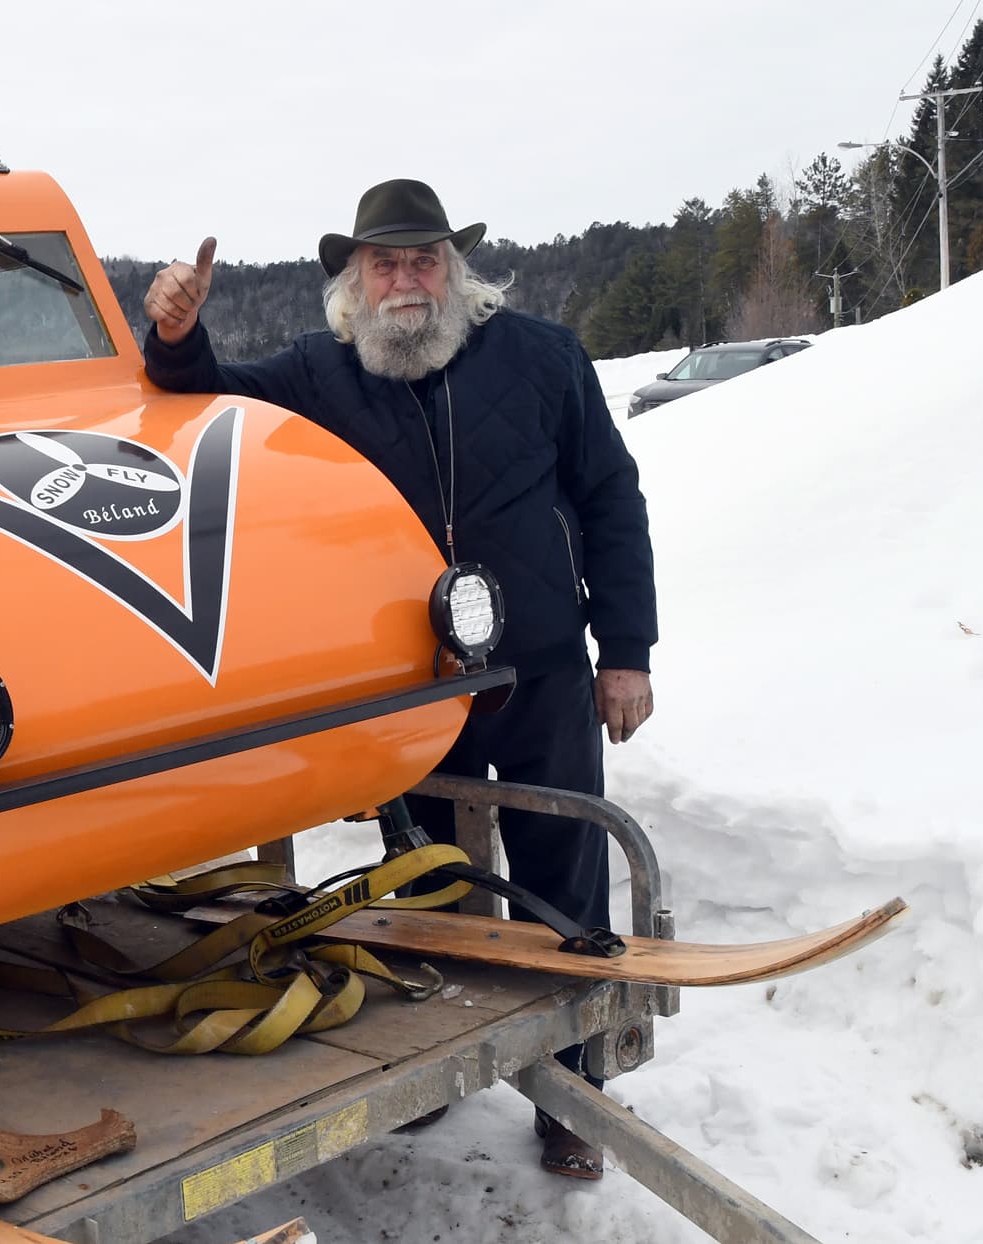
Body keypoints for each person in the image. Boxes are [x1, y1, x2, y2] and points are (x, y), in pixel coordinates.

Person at [142, 178, 657, 1181]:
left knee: (563, 876)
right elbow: (207, 395)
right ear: (354, 282)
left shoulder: (543, 356)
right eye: (386, 262)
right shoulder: (321, 374)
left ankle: (577, 1086)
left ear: (456, 271)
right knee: (431, 880)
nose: (406, 278)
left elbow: (610, 495)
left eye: (423, 258)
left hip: (542, 666)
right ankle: (443, 1063)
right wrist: (173, 335)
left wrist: (626, 648)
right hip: (412, 682)